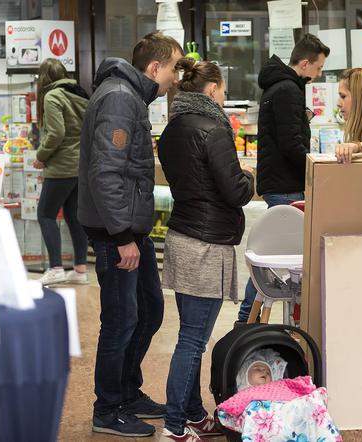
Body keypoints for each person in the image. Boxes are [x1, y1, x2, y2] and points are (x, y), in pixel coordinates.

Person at [77, 32, 183, 438]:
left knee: (149, 310)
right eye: (173, 68)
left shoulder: (129, 95)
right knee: (121, 320)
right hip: (114, 231)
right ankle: (108, 409)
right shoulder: (121, 98)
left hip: (128, 227)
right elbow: (106, 173)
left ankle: (127, 391)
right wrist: (122, 236)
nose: (175, 78)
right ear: (154, 68)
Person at [157, 58, 255, 442]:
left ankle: (194, 413)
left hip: (183, 237)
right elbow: (235, 191)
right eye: (224, 89)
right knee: (193, 340)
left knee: (190, 334)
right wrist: (248, 175)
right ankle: (174, 425)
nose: (225, 96)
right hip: (206, 244)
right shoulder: (214, 130)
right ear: (212, 89)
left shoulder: (172, 130)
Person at [237, 33, 330, 324]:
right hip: (287, 186)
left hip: (278, 183)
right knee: (277, 263)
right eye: (318, 67)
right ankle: (248, 321)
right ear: (305, 63)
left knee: (272, 259)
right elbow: (291, 144)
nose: (319, 73)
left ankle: (248, 321)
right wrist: (314, 170)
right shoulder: (289, 89)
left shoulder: (276, 86)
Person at [33, 58, 90, 286]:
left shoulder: (53, 96)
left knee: (45, 214)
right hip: (80, 166)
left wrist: (41, 156)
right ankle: (80, 269)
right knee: (74, 217)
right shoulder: (79, 94)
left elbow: (56, 133)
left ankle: (55, 267)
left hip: (61, 167)